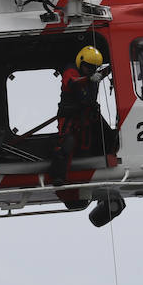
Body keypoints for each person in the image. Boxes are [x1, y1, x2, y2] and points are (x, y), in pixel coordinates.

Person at [49, 46, 107, 184]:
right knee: (66, 144)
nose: (90, 70)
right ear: (81, 63)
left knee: (86, 144)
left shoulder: (93, 76)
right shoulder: (71, 71)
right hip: (69, 117)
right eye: (88, 67)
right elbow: (71, 83)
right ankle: (58, 176)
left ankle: (83, 176)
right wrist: (89, 78)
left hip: (85, 117)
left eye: (93, 68)